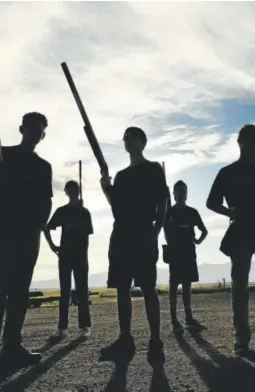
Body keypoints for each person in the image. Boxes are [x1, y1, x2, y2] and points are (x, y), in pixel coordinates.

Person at [0, 112, 53, 371]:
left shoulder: (43, 167)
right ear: (21, 129)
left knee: (19, 297)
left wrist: (40, 225)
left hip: (28, 239)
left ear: (43, 135)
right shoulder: (1, 155)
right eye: (30, 127)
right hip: (1, 237)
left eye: (38, 130)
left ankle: (12, 349)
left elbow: (46, 201)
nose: (34, 133)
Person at [206, 124, 255, 355]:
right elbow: (211, 202)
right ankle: (241, 338)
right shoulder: (227, 172)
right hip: (240, 233)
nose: (250, 143)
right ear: (239, 142)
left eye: (254, 140)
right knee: (240, 285)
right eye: (247, 139)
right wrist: (230, 213)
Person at [99, 126, 169, 365]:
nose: (129, 140)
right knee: (122, 288)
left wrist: (157, 229)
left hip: (143, 233)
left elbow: (162, 202)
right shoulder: (121, 176)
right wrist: (106, 188)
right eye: (126, 138)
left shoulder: (153, 169)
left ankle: (156, 340)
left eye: (133, 137)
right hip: (121, 235)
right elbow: (116, 207)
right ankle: (125, 339)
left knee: (148, 287)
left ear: (143, 141)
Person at [44, 180, 93, 341]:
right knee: (64, 292)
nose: (72, 192)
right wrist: (52, 246)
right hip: (65, 256)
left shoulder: (84, 212)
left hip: (80, 256)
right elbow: (47, 227)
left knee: (82, 291)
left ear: (78, 191)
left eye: (75, 189)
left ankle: (85, 327)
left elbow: (87, 235)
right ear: (66, 192)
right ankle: (62, 328)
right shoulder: (62, 211)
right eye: (70, 189)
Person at [163, 180, 208, 331]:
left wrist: (198, 241)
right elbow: (165, 230)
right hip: (175, 253)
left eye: (183, 191)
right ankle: (174, 319)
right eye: (178, 191)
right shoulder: (169, 212)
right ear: (174, 194)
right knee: (174, 285)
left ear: (186, 194)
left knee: (187, 285)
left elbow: (204, 231)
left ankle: (189, 318)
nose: (180, 194)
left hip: (189, 252)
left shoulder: (192, 212)